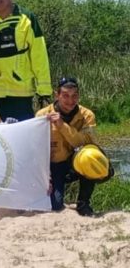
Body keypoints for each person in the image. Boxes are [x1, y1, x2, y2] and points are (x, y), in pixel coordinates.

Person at [36, 77, 107, 217]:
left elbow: (83, 142)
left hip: (77, 163)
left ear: (79, 96)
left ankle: (83, 203)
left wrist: (62, 125)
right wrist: (44, 175)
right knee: (55, 205)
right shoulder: (42, 115)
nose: (70, 101)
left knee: (91, 157)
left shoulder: (87, 115)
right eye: (65, 96)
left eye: (74, 96)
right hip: (54, 165)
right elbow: (36, 150)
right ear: (57, 95)